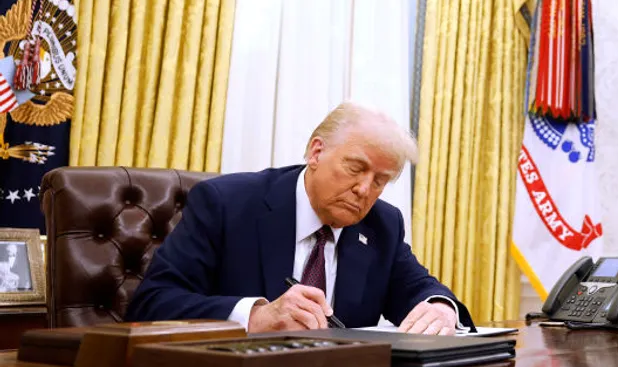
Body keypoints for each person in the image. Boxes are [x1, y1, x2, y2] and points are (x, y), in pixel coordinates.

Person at [126, 103, 472, 335]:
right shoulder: (227, 204)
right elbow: (151, 304)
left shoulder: (382, 224)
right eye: (355, 169)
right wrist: (256, 316)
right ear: (316, 152)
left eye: (380, 180)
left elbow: (418, 289)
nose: (365, 189)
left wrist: (439, 308)